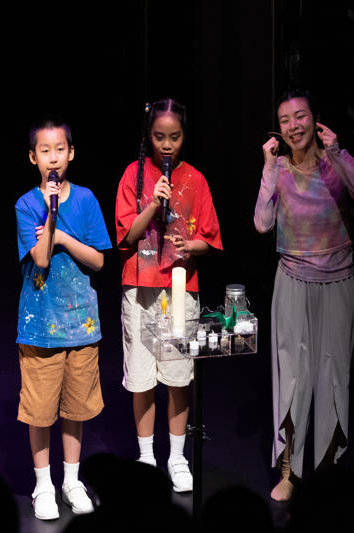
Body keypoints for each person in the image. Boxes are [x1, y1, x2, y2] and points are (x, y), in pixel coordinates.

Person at [254, 89, 354, 501]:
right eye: (285, 120)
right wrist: (268, 168)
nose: (294, 126)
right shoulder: (278, 169)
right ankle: (290, 473)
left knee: (333, 380)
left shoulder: (337, 162)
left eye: (300, 116)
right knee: (292, 380)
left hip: (339, 282)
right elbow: (261, 223)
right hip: (292, 281)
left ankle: (327, 477)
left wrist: (337, 153)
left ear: (315, 119)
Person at [115, 98, 223, 492]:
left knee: (178, 376)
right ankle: (146, 456)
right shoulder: (133, 175)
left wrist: (191, 246)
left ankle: (177, 456)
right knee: (141, 377)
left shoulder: (196, 179)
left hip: (179, 289)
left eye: (174, 137)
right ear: (149, 135)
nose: (166, 144)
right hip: (140, 288)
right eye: (159, 136)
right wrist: (151, 203)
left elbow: (209, 239)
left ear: (184, 136)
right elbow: (126, 235)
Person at [15, 116, 111, 520]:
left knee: (75, 409)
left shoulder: (86, 200)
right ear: (33, 157)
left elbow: (99, 260)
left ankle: (71, 480)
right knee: (40, 411)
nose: (53, 158)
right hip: (40, 326)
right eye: (45, 151)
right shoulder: (26, 205)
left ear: (71, 153)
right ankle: (44, 484)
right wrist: (50, 217)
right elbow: (39, 258)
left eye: (60, 149)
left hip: (82, 324)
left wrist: (62, 237)